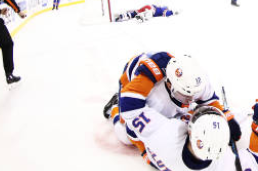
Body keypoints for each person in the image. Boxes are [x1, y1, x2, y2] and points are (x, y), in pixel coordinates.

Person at [104, 94, 258, 171]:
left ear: (190, 131)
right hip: (173, 158)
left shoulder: (165, 134)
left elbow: (133, 111)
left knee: (126, 134)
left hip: (153, 154)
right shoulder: (224, 168)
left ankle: (113, 108)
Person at [103, 52, 242, 158]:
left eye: (193, 95)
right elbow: (134, 131)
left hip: (156, 69)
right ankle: (115, 107)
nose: (189, 101)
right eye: (184, 95)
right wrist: (146, 152)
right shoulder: (156, 99)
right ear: (169, 84)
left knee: (183, 113)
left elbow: (210, 100)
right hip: (132, 83)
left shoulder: (196, 82)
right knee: (126, 138)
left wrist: (227, 120)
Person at [114, 4, 178, 22]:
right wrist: (173, 12)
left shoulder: (161, 8)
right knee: (144, 17)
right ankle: (125, 16)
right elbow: (167, 13)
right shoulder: (164, 10)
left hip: (149, 7)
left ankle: (122, 15)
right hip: (150, 10)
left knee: (137, 12)